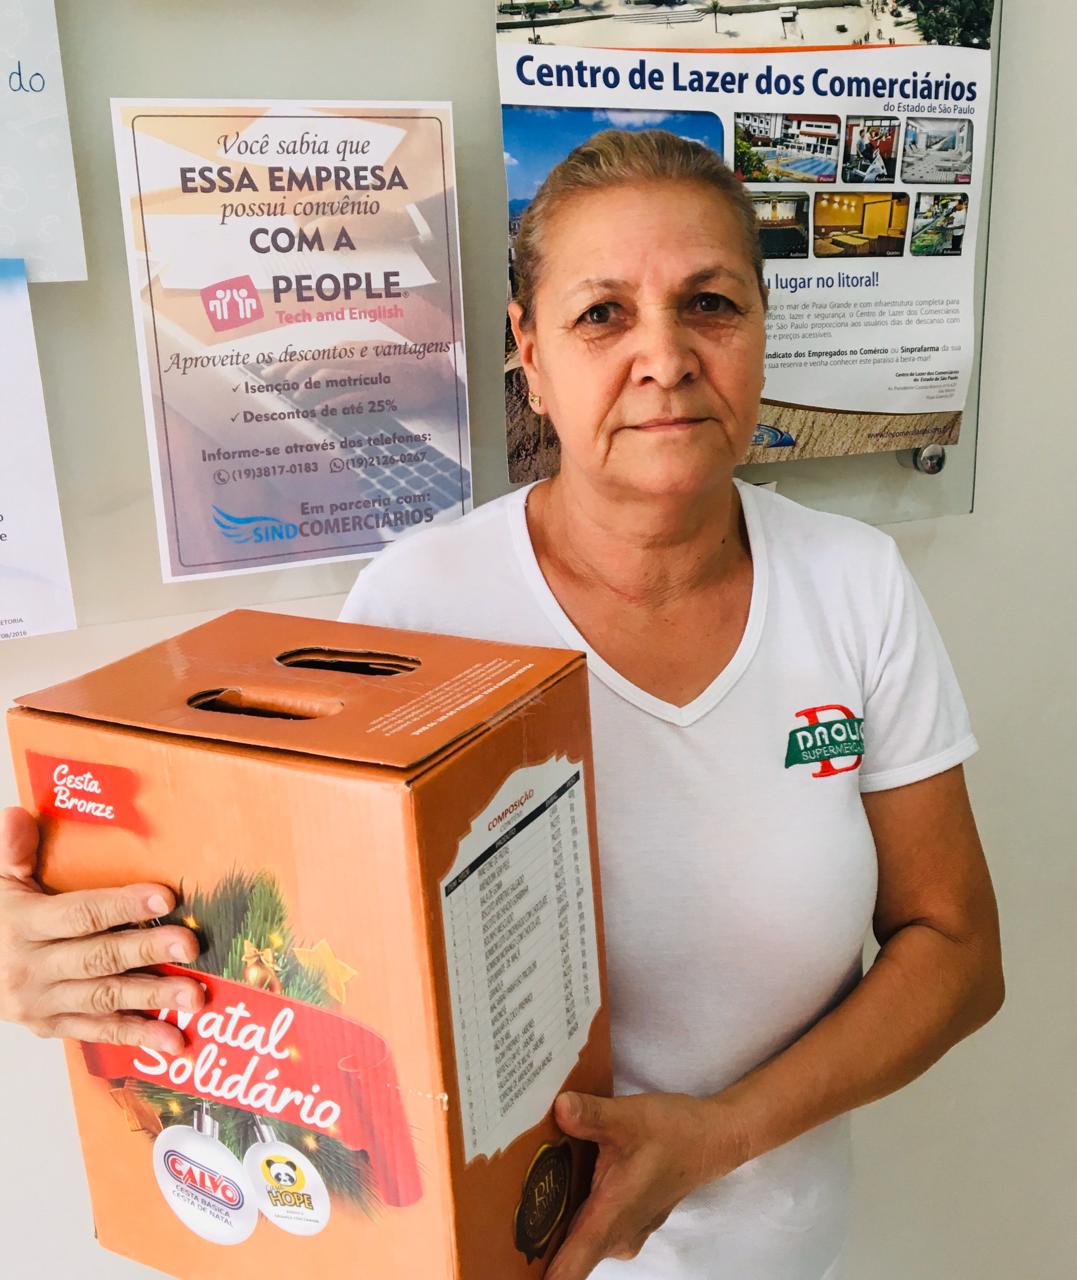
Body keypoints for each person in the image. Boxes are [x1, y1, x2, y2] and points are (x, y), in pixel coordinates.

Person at [0, 130, 1003, 1280]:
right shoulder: (419, 611)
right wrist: (82, 950)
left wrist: (717, 1135)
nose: (664, 356)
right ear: (529, 350)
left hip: (784, 1253)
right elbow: (290, 949)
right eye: (601, 314)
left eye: (709, 303)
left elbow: (955, 947)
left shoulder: (853, 583)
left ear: (760, 326)